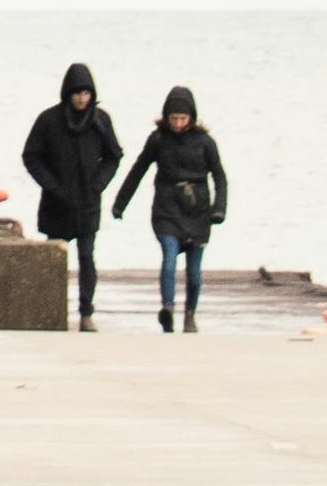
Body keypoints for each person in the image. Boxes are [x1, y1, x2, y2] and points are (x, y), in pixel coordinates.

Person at [17, 60, 124, 328]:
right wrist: (51, 185)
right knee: (55, 261)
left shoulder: (101, 120)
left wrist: (98, 183)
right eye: (77, 93)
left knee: (87, 257)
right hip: (57, 203)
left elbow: (114, 155)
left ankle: (86, 313)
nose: (81, 98)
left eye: (86, 93)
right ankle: (53, 311)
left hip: (88, 202)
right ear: (67, 93)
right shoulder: (49, 120)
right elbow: (31, 156)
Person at [111, 84, 227, 331]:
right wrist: (120, 203)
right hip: (167, 209)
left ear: (192, 117)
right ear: (166, 117)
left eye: (182, 118)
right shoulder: (158, 140)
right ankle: (168, 308)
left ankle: (190, 314)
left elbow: (219, 176)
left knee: (194, 273)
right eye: (173, 118)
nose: (177, 123)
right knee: (169, 260)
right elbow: (138, 170)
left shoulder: (205, 142)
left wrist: (219, 209)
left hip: (198, 211)